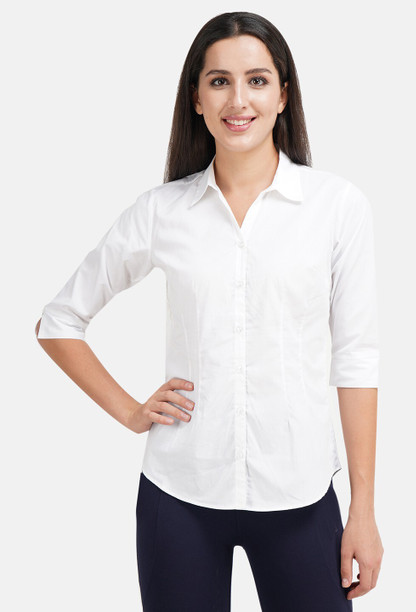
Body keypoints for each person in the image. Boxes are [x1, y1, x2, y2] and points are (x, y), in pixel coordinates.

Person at [35, 10, 384, 612]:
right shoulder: (161, 212)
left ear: (282, 95)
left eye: (257, 80)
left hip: (299, 496)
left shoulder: (336, 208)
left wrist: (364, 511)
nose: (238, 100)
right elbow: (58, 321)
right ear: (196, 98)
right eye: (219, 81)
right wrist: (130, 411)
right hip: (179, 495)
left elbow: (356, 359)